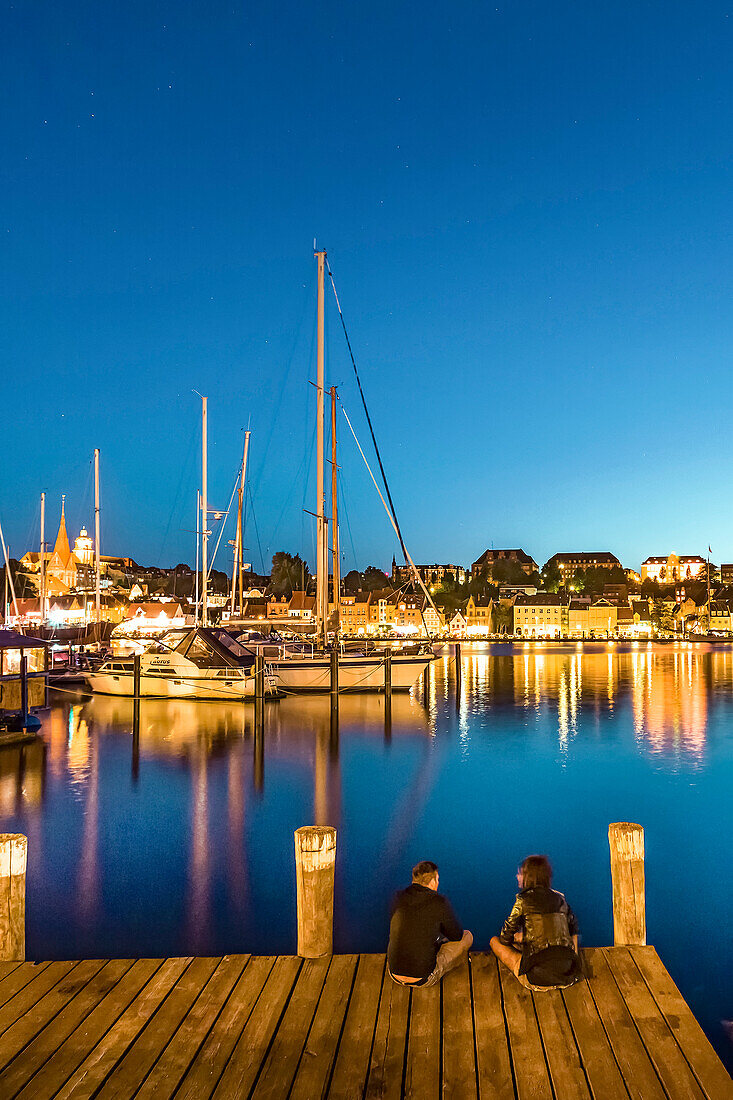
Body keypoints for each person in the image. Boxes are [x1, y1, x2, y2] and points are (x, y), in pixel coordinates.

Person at [490, 854, 582, 990]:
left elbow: (504, 938)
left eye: (520, 873)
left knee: (494, 941)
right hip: (568, 974)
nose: (517, 877)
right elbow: (573, 931)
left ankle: (534, 976)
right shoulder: (560, 899)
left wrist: (517, 937)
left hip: (537, 978)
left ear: (529, 876)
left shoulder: (523, 900)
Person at [387, 860, 473, 987]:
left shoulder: (397, 896)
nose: (438, 883)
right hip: (423, 979)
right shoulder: (439, 901)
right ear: (432, 882)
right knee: (467, 937)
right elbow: (456, 935)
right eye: (437, 879)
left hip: (394, 973)